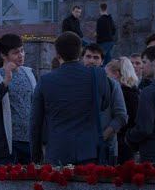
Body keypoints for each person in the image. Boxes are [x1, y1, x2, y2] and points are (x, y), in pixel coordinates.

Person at [30, 32, 117, 166]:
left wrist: (36, 156)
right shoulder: (98, 74)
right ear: (80, 51)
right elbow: (104, 104)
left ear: (58, 54)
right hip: (88, 151)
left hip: (57, 151)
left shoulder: (45, 81)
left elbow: (35, 122)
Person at [0, 33, 36, 165]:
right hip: (6, 145)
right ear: (4, 55)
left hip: (30, 142)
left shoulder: (30, 73)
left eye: (22, 50)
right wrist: (5, 82)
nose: (21, 55)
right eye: (16, 52)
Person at [82, 43, 128, 164]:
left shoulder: (112, 85)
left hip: (106, 149)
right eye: (88, 56)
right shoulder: (75, 84)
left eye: (96, 57)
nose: (91, 60)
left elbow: (121, 116)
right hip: (79, 147)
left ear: (102, 61)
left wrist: (102, 136)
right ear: (82, 59)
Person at [126, 45, 155, 167]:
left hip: (153, 159)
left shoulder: (149, 92)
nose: (142, 66)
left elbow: (144, 128)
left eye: (144, 62)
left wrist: (129, 137)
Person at [107, 58, 141, 163]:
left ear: (116, 74)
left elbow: (127, 119)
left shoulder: (124, 94)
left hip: (122, 145)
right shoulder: (134, 92)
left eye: (107, 74)